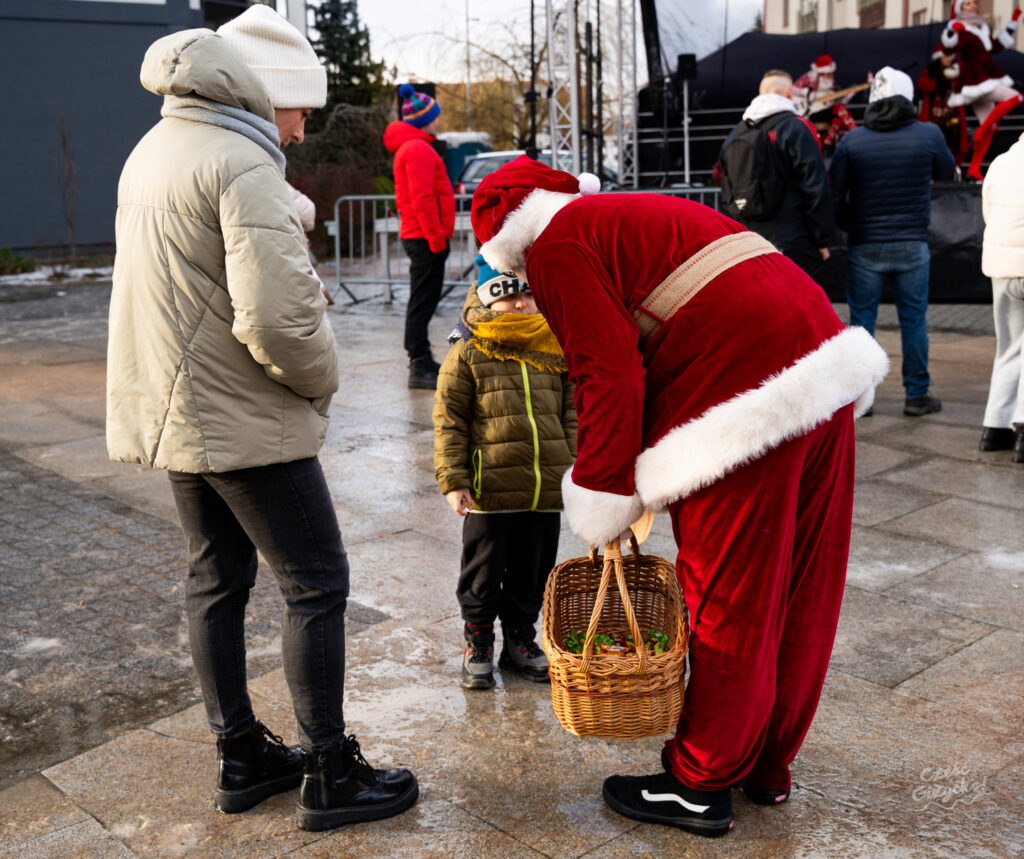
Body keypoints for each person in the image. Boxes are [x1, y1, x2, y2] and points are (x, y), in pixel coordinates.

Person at [470, 155, 888, 837]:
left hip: (739, 379)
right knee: (805, 581)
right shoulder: (625, 216)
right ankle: (766, 763)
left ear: (509, 242)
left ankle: (701, 780)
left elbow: (607, 376)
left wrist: (603, 492)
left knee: (730, 595)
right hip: (822, 350)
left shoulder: (557, 246)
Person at [105, 6, 417, 831]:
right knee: (317, 583)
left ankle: (240, 754)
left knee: (215, 577)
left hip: (180, 409)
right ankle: (330, 771)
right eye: (300, 106)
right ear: (262, 89)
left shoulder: (152, 150)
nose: (305, 126)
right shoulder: (241, 164)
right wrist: (324, 376)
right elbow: (278, 322)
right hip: (243, 416)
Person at [433, 254, 577, 689]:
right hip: (489, 490)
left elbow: (570, 409)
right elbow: (450, 419)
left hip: (542, 488)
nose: (519, 304)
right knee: (483, 569)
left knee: (533, 568)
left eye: (527, 294)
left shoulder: (552, 345)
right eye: (507, 295)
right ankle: (478, 639)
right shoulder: (469, 350)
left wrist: (570, 461)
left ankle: (521, 636)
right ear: (484, 298)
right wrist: (454, 479)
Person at [829, 67, 955, 418]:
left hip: (865, 243)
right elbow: (946, 172)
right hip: (912, 242)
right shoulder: (929, 134)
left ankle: (860, 398)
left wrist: (849, 226)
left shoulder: (852, 141)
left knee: (861, 323)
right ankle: (916, 395)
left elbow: (835, 195)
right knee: (913, 320)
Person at [719, 69, 834, 282]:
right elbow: (815, 187)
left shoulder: (736, 134)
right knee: (803, 306)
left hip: (750, 243)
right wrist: (822, 240)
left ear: (760, 93)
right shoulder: (796, 127)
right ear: (790, 93)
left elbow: (726, 192)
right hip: (794, 241)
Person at [383, 84, 457, 389]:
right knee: (422, 302)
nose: (439, 121)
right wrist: (437, 238)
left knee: (424, 301)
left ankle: (422, 359)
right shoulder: (417, 150)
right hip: (426, 237)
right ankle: (419, 363)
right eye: (435, 116)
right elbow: (422, 199)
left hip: (425, 235)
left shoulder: (417, 147)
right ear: (424, 119)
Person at [979, 131, 1024, 461]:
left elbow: (987, 212)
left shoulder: (1001, 162)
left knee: (1009, 347)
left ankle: (995, 429)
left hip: (1003, 267)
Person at [942, 0, 1022, 180]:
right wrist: (952, 30)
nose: (972, 6)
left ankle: (974, 168)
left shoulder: (980, 27)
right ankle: (983, 128)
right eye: (967, 4)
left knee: (989, 130)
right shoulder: (958, 26)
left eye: (973, 3)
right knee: (1016, 97)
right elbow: (949, 44)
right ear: (960, 8)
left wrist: (1012, 23)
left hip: (985, 76)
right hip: (977, 79)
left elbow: (995, 47)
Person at [792, 54, 860, 154]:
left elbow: (832, 104)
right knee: (839, 110)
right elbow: (792, 90)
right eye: (825, 74)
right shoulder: (807, 78)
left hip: (826, 110)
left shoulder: (831, 83)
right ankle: (857, 136)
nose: (827, 76)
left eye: (830, 74)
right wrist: (808, 94)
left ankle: (827, 145)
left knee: (839, 116)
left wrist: (847, 97)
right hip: (810, 112)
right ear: (819, 72)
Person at [917, 48, 969, 170]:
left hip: (952, 115)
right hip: (934, 116)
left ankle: (951, 169)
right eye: (946, 55)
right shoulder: (930, 72)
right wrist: (937, 83)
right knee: (934, 142)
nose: (949, 58)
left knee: (953, 142)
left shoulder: (957, 71)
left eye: (950, 55)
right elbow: (922, 85)